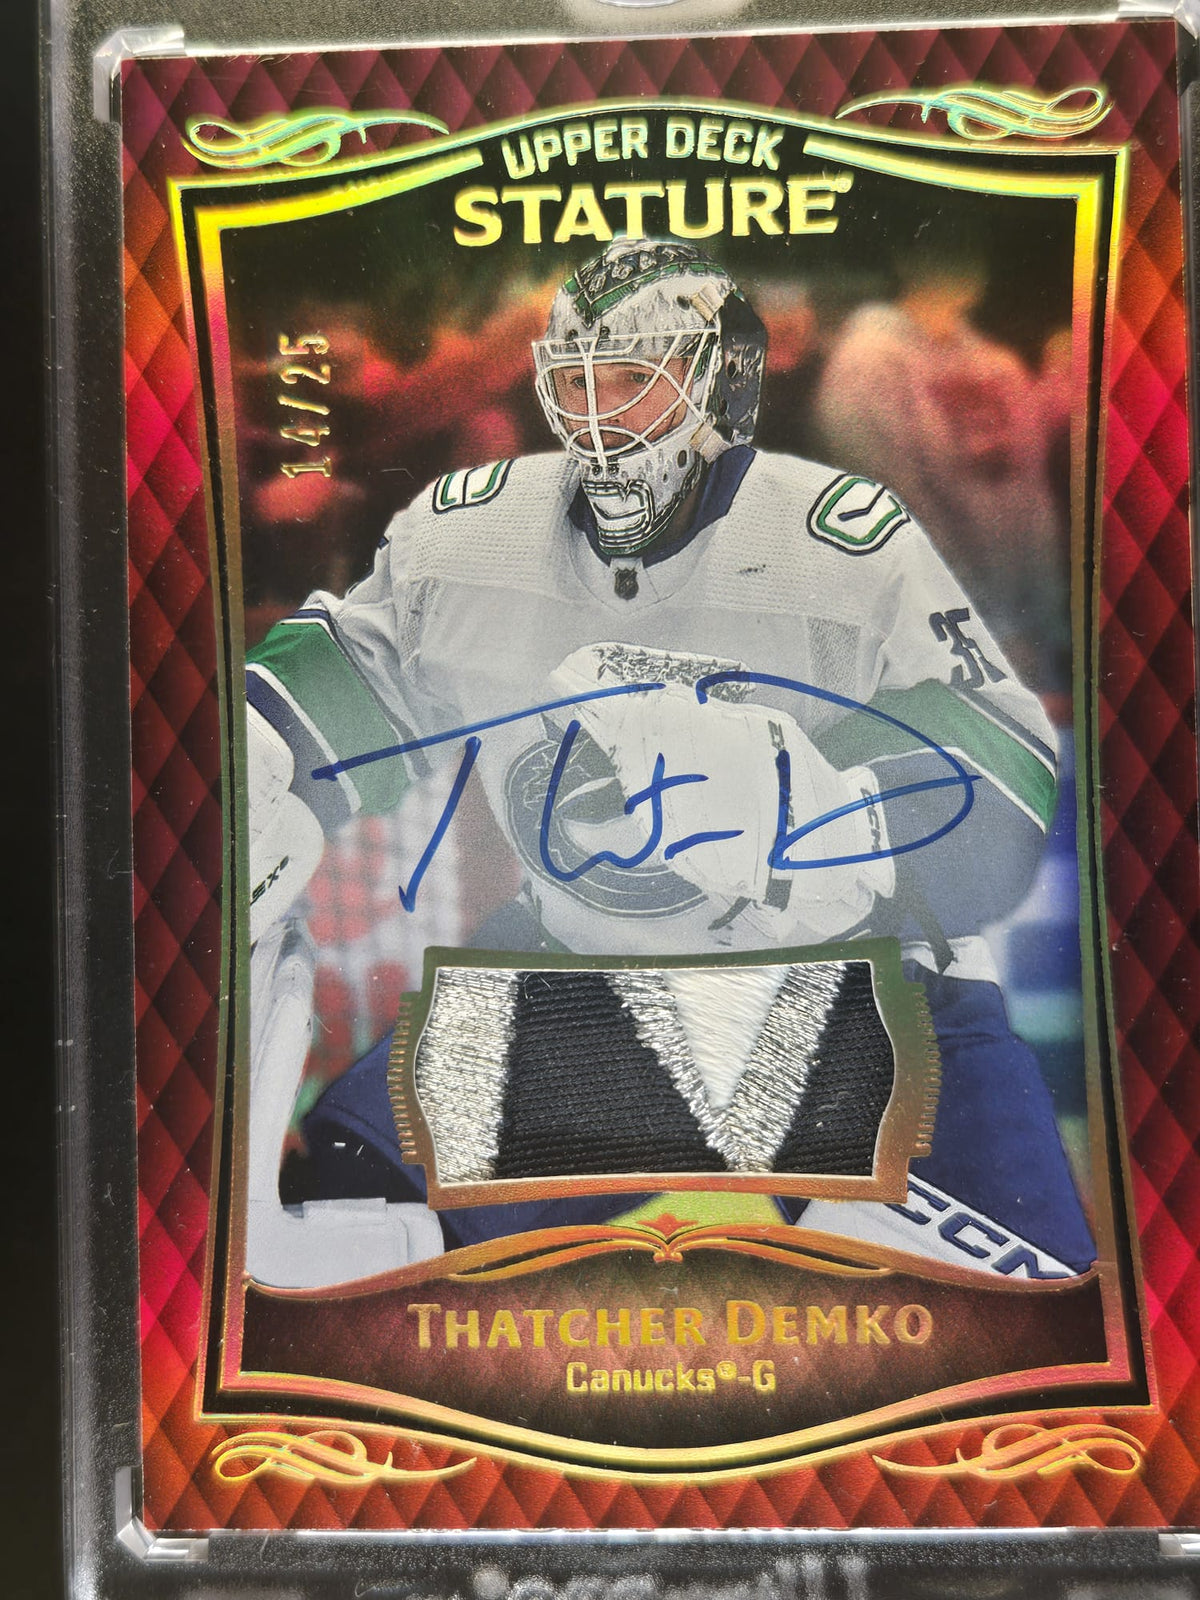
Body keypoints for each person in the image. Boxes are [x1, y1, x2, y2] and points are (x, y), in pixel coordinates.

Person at [245, 237, 1095, 1286]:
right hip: (590, 991)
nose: (598, 421)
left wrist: (816, 821)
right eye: (577, 383)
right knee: (344, 1242)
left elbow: (1004, 776)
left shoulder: (841, 544)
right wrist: (249, 769)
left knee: (1016, 1325)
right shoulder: (474, 537)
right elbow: (341, 680)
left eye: (632, 382)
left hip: (852, 1003)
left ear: (720, 387)